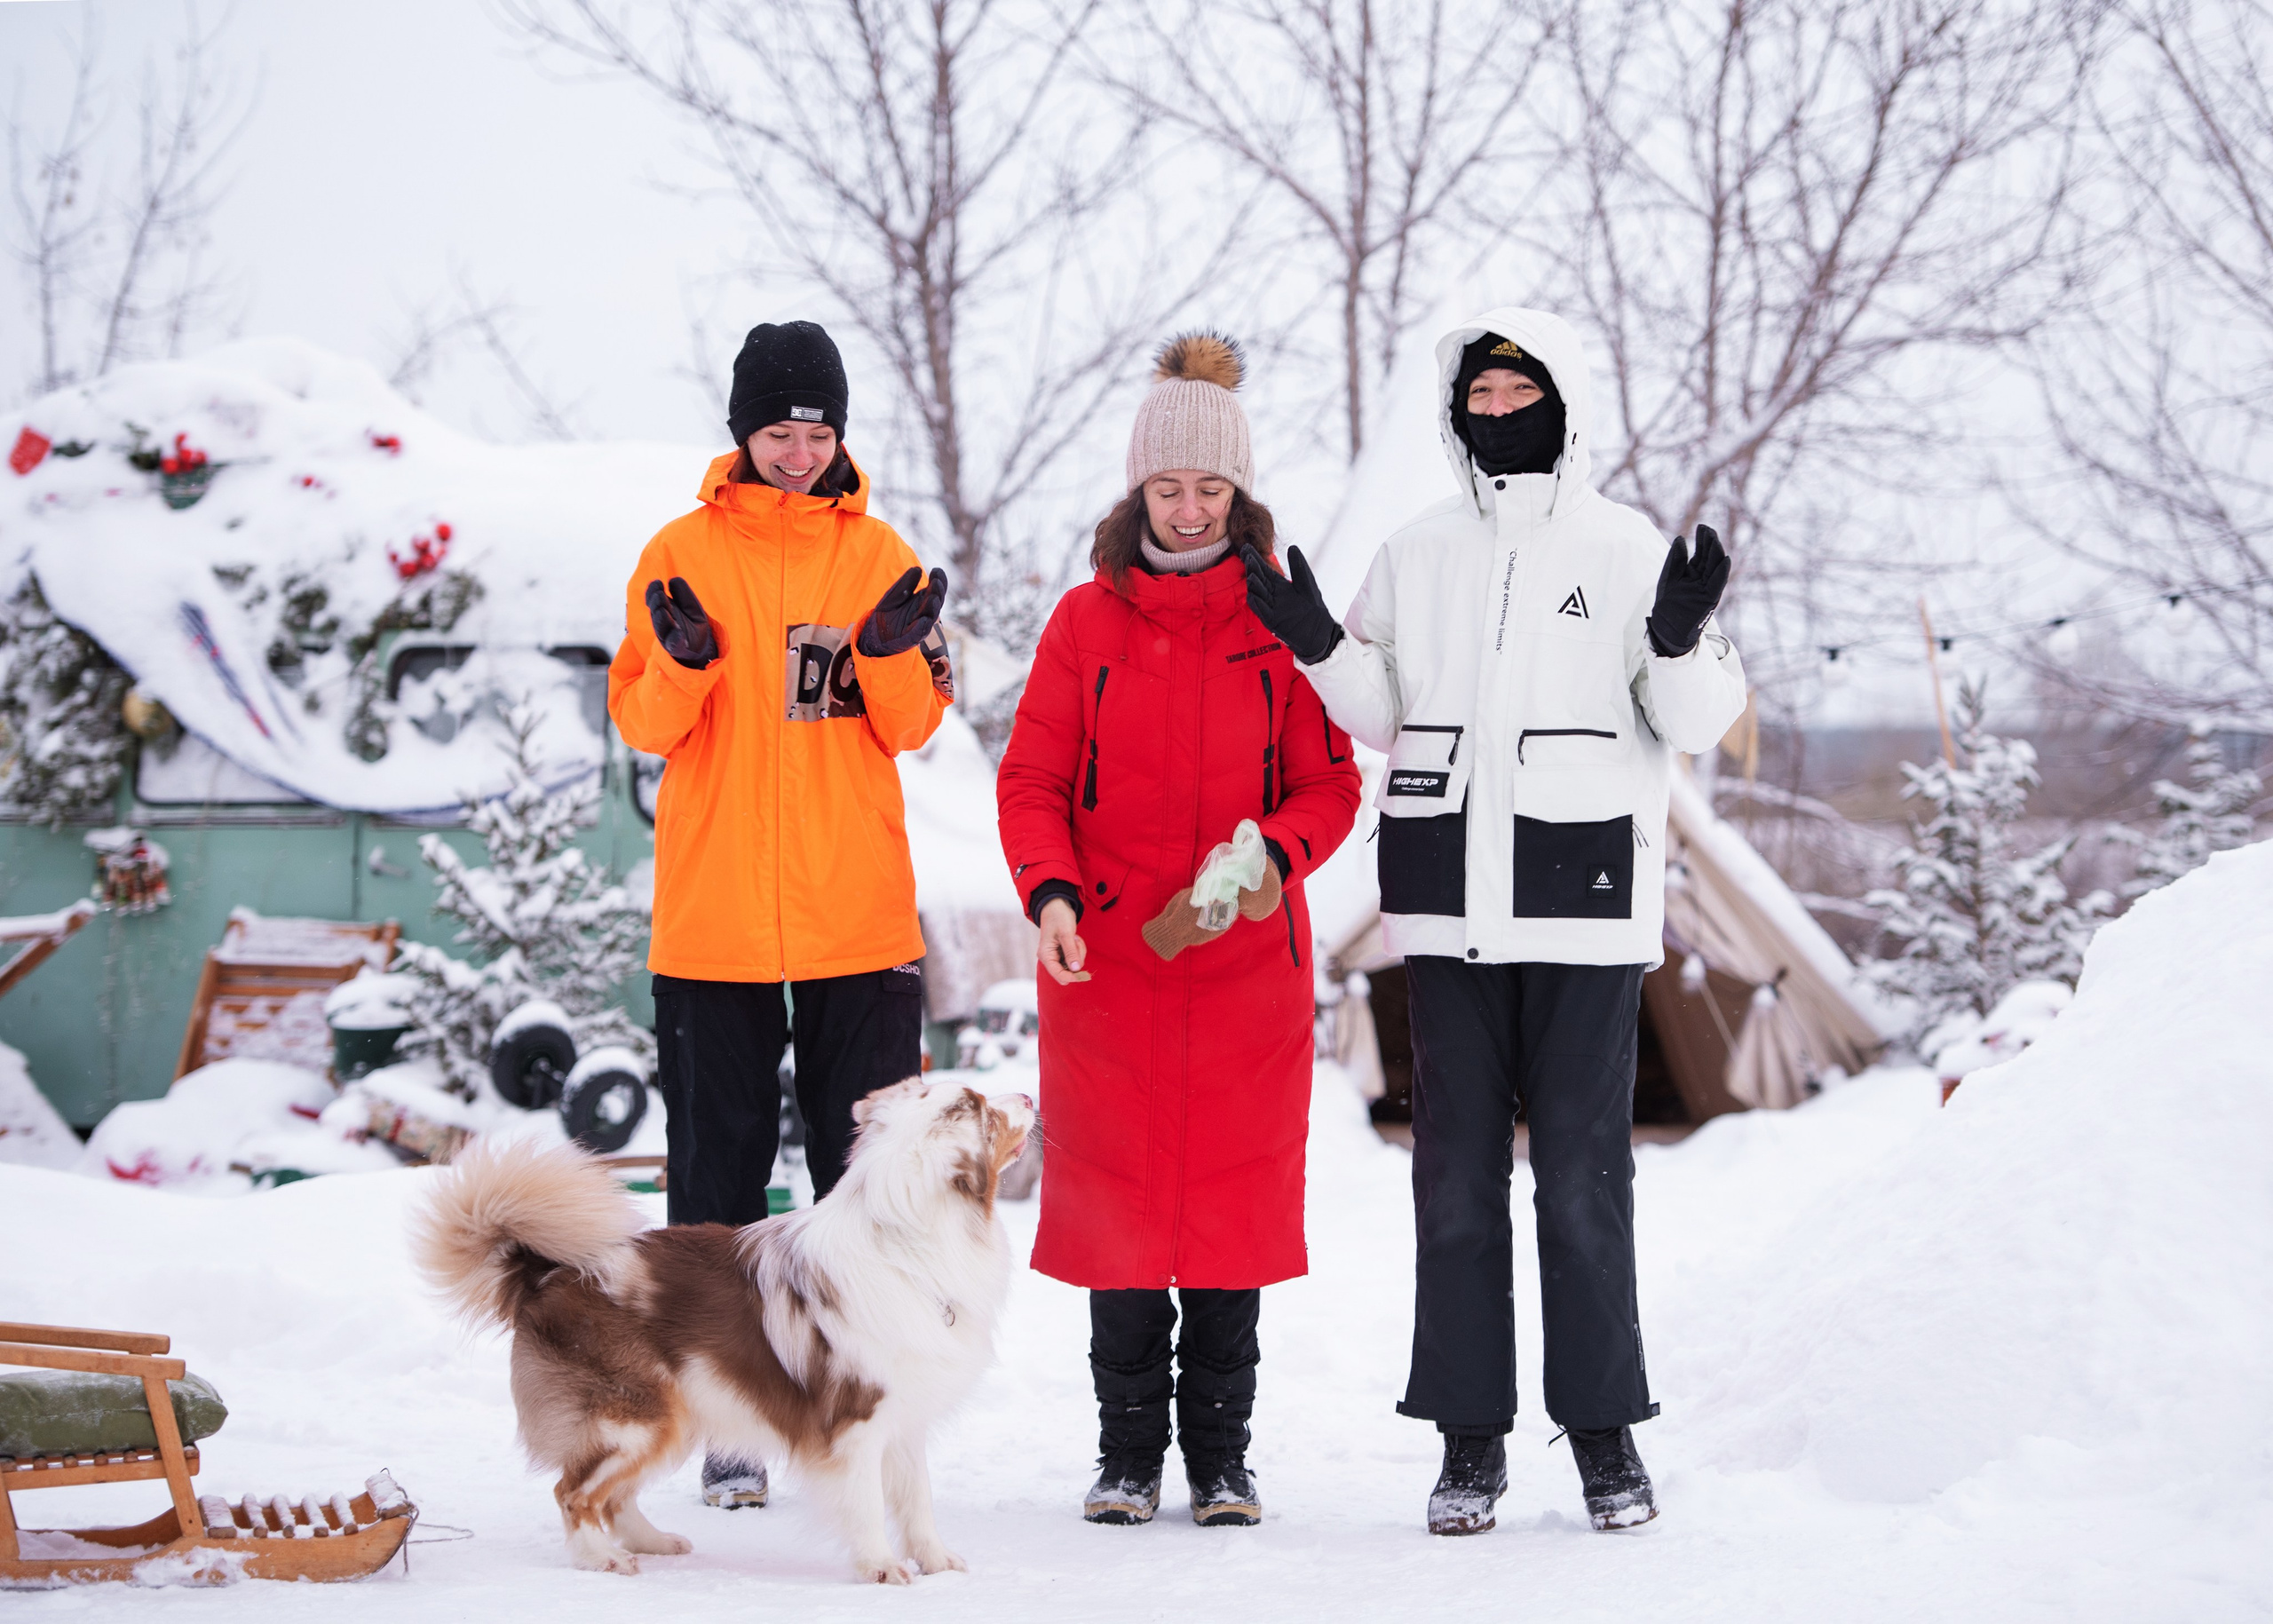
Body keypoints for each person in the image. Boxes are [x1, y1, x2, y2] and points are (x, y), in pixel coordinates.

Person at [1241, 307, 1746, 1535]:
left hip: (1585, 911)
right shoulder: (1417, 551)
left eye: (1523, 395)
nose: (1502, 415)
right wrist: (1316, 644)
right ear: (1457, 413)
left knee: (1582, 1180)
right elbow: (1378, 706)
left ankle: (1605, 1435)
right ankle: (1471, 1441)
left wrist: (1676, 638)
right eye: (1484, 398)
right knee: (1455, 1182)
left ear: (1563, 405)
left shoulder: (1628, 550)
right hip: (1446, 902)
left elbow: (1695, 717)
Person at [996, 333, 1361, 1529]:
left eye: (1211, 488)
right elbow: (1032, 779)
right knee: (1117, 1213)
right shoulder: (1083, 624)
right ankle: (1123, 1457)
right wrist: (1050, 892)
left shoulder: (1280, 627)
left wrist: (1276, 850)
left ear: (1240, 493)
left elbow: (1333, 782)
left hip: (1248, 961)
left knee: (1225, 1215)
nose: (1191, 508)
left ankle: (1220, 1460)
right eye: (1169, 488)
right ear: (1137, 491)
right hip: (1107, 962)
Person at [607, 319, 955, 1510]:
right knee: (717, 1181)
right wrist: (688, 659)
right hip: (714, 927)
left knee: (861, 1180)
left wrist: (900, 652)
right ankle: (730, 1419)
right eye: (778, 430)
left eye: (816, 432)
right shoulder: (678, 552)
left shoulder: (879, 555)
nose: (799, 452)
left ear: (839, 435)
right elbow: (644, 725)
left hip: (855, 917)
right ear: (741, 432)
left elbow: (910, 726)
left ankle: (861, 1396)